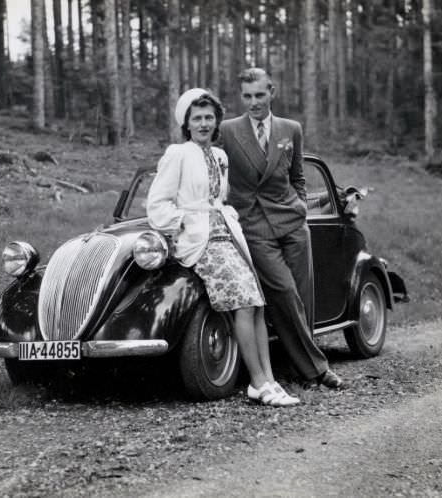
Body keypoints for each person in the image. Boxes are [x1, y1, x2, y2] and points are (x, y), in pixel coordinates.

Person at [147, 88, 300, 406]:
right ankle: (257, 381)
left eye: (209, 117)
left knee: (257, 302)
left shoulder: (220, 156)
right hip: (200, 242)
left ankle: (268, 381)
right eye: (197, 118)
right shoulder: (178, 154)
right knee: (243, 303)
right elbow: (157, 205)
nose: (203, 124)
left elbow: (220, 199)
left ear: (217, 121)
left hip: (228, 236)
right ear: (186, 124)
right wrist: (185, 222)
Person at [219, 68, 344, 389]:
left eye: (259, 95)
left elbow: (298, 177)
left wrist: (301, 209)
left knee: (303, 296)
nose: (253, 102)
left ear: (272, 92)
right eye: (247, 96)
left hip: (293, 223)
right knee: (285, 293)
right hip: (254, 225)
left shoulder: (291, 129)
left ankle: (294, 366)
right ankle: (317, 369)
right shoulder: (228, 130)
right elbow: (212, 167)